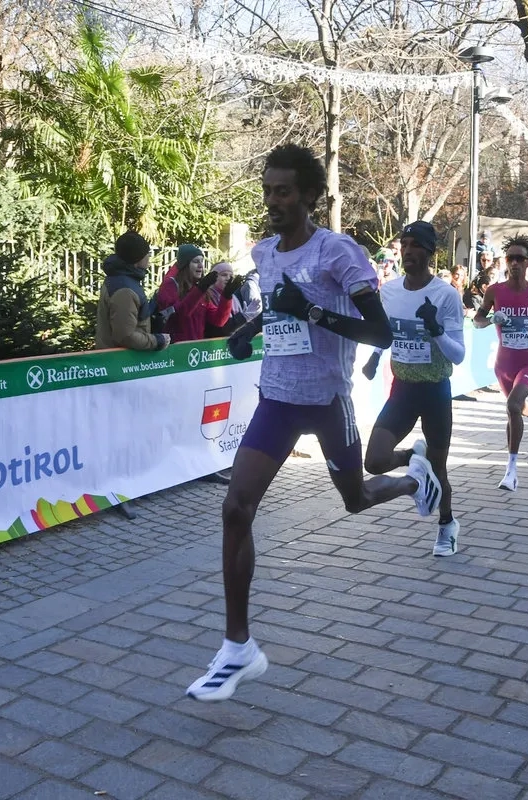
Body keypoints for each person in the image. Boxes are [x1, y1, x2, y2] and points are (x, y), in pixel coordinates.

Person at [185, 144, 442, 702]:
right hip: (277, 397)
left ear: (309, 196)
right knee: (235, 508)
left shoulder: (338, 252)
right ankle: (238, 648)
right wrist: (248, 331)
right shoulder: (265, 251)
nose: (272, 200)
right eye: (267, 190)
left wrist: (315, 314)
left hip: (328, 402)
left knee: (354, 498)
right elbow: (278, 305)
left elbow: (379, 333)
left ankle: (411, 477)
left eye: (282, 191)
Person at [361, 221, 465, 556]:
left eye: (415, 245)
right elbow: (386, 331)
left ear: (429, 251)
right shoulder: (389, 291)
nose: (407, 251)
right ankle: (410, 456)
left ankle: (447, 526)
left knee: (439, 469)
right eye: (403, 244)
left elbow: (459, 355)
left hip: (435, 391)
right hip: (402, 388)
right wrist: (376, 356)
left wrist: (435, 330)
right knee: (374, 461)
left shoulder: (446, 295)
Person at [474, 236, 528, 492]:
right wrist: (493, 317)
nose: (514, 263)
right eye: (510, 258)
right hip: (503, 364)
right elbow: (477, 321)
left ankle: (511, 471)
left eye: (520, 258)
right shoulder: (495, 291)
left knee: (512, 405)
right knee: (516, 409)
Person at [95, 231, 172, 352]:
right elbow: (125, 336)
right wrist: (157, 340)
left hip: (122, 362)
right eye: (148, 253)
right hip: (121, 363)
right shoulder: (125, 290)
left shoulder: (121, 279)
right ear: (138, 258)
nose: (149, 257)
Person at [155, 245, 235, 343]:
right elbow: (180, 316)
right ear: (185, 265)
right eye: (196, 261)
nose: (201, 265)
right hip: (175, 349)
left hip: (196, 349)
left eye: (202, 261)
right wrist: (200, 289)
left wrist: (227, 297)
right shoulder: (170, 285)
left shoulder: (200, 290)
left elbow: (218, 320)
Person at [203, 262, 245, 338]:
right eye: (224, 275)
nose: (228, 278)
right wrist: (244, 317)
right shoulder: (209, 295)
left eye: (231, 275)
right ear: (214, 277)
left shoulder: (234, 297)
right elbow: (221, 325)